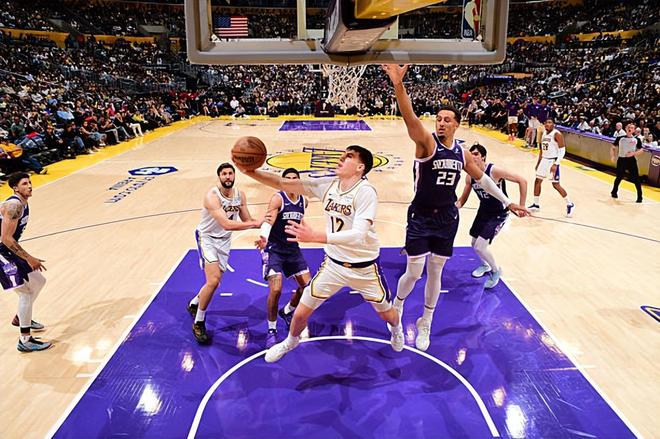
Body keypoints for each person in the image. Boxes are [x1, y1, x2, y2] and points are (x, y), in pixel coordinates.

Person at [382, 64, 527, 352]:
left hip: (448, 218)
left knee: (435, 271)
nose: (441, 123)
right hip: (421, 215)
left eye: (447, 120)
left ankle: (426, 321)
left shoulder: (462, 153)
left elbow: (483, 179)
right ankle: (397, 307)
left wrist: (507, 201)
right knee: (414, 272)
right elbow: (410, 117)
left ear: (457, 124)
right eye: (438, 119)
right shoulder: (426, 143)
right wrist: (398, 84)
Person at [236, 144, 404, 363]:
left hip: (364, 268)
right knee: (301, 312)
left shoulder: (366, 192)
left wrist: (316, 236)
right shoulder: (328, 185)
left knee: (386, 313)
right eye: (343, 154)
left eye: (349, 156)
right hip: (333, 265)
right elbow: (282, 183)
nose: (341, 157)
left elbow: (358, 235)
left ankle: (397, 328)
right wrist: (249, 171)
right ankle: (291, 341)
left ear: (360, 167)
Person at [187, 163, 264, 344]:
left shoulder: (239, 195)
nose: (228, 176)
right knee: (213, 281)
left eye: (230, 173)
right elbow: (227, 224)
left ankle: (195, 303)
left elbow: (247, 219)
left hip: (224, 240)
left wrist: (265, 223)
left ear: (234, 176)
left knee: (214, 281)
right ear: (219, 177)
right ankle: (198, 322)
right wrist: (254, 224)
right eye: (224, 174)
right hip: (207, 238)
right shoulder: (212, 197)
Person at [456, 143, 528, 289]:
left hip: (498, 213)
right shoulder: (470, 177)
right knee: (474, 243)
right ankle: (485, 265)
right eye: (471, 154)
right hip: (484, 211)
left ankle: (496, 271)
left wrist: (522, 206)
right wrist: (451, 207)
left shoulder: (494, 171)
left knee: (480, 246)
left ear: (483, 157)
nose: (473, 156)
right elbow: (462, 200)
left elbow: (522, 181)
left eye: (476, 154)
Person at [255, 168, 312, 347]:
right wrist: (264, 237)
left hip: (292, 249)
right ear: (282, 182)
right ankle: (271, 329)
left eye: (295, 178)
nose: (291, 181)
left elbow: (299, 220)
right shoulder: (278, 198)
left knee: (308, 288)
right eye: (287, 179)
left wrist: (307, 231)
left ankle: (287, 311)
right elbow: (269, 220)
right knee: (276, 289)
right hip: (274, 249)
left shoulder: (304, 201)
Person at [0, 172, 51, 352]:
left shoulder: (23, 203)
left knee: (39, 281)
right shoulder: (14, 205)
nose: (29, 186)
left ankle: (21, 318)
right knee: (25, 293)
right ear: (15, 188)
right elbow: (6, 238)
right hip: (2, 250)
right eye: (24, 183)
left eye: (30, 182)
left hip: (6, 249)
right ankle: (25, 340)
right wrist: (29, 258)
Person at [528, 118, 575, 217]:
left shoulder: (557, 134)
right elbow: (542, 150)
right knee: (537, 181)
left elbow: (562, 151)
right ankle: (536, 204)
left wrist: (556, 164)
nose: (547, 124)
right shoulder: (544, 133)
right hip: (544, 160)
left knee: (556, 185)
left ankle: (570, 204)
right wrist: (538, 162)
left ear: (554, 124)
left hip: (552, 161)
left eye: (550, 122)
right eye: (546, 122)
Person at [610, 122, 643, 202]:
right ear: (625, 128)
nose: (630, 129)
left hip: (631, 160)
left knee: (636, 179)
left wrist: (633, 153)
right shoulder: (620, 138)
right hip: (622, 159)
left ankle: (640, 196)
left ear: (634, 130)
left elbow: (641, 150)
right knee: (619, 177)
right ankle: (614, 191)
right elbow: (613, 147)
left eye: (632, 128)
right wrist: (613, 156)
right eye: (628, 127)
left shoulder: (637, 140)